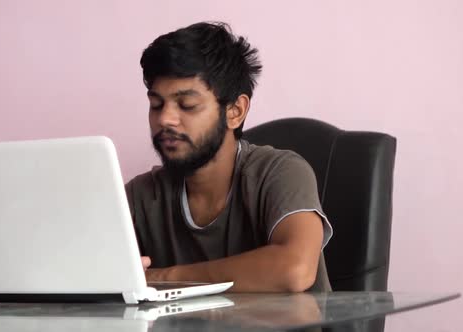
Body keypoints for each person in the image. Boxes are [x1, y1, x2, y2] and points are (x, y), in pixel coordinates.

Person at [125, 22, 333, 292]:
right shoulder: (140, 196)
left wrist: (159, 278)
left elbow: (295, 269)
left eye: (187, 105)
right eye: (156, 104)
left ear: (235, 111)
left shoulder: (280, 173)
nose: (165, 118)